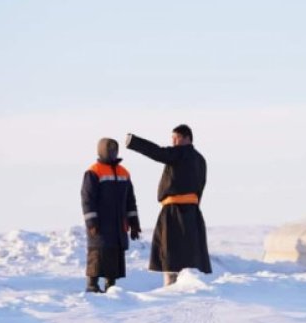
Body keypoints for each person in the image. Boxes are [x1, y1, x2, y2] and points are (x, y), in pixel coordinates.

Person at [125, 124, 212, 284]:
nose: (173, 142)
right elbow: (201, 185)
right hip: (193, 213)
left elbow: (157, 152)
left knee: (171, 255)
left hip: (173, 212)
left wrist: (133, 142)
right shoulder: (200, 159)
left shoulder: (179, 153)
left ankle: (171, 289)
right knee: (190, 256)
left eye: (175, 138)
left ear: (187, 138)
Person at [81, 138, 142, 293]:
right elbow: (87, 199)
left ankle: (111, 287)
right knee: (97, 253)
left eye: (115, 150)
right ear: (101, 150)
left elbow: (130, 201)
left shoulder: (124, 173)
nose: (112, 153)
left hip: (118, 226)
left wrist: (134, 224)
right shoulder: (93, 172)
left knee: (114, 254)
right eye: (109, 150)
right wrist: (92, 223)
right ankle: (92, 285)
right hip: (100, 226)